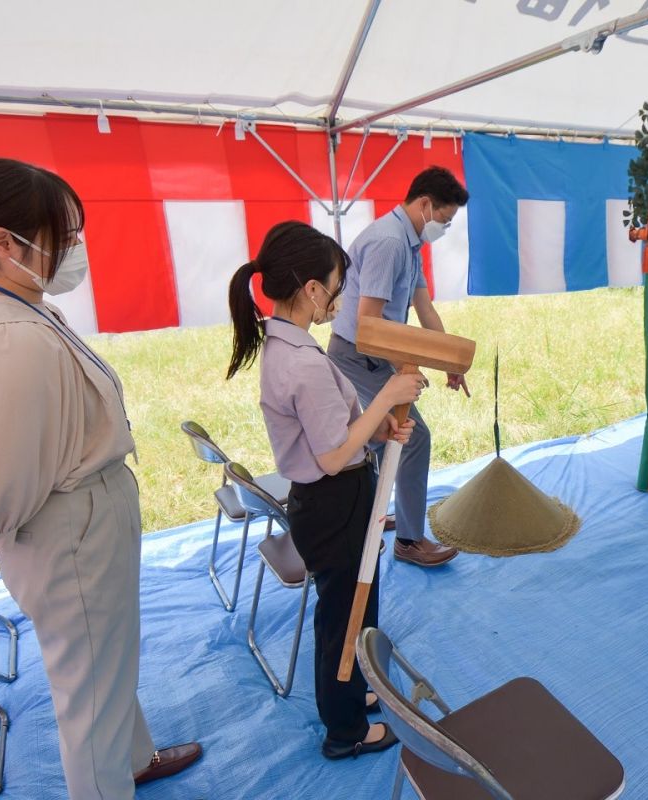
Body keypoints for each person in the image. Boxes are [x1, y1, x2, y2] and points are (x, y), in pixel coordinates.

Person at [0, 158, 201, 799]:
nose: (73, 250)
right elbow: (7, 461)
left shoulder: (20, 308)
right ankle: (109, 781)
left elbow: (4, 442)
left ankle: (132, 759)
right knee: (89, 696)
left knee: (105, 668)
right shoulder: (15, 335)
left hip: (77, 515)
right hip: (69, 526)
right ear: (2, 242)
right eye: (61, 235)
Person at [227, 221, 424, 758]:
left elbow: (335, 432)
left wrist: (379, 427)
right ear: (311, 289)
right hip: (334, 501)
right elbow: (334, 455)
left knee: (355, 607)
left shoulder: (288, 347)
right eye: (336, 286)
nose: (339, 297)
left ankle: (356, 692)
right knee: (344, 617)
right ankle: (345, 730)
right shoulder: (303, 362)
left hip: (331, 498)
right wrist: (388, 397)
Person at [327, 166, 470, 567]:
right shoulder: (389, 243)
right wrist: (407, 367)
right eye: (443, 219)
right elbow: (369, 324)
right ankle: (408, 540)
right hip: (357, 355)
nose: (442, 228)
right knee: (411, 435)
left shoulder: (409, 244)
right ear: (424, 204)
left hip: (375, 353)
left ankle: (373, 512)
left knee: (384, 435)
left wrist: (449, 361)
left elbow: (424, 308)